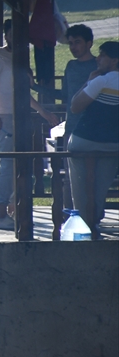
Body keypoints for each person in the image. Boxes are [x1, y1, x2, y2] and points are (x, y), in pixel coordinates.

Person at [0, 19, 59, 229]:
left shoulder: (21, 59)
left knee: (21, 163)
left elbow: (24, 93)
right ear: (6, 35)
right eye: (12, 33)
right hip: (4, 117)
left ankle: (14, 209)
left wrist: (42, 111)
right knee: (7, 163)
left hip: (21, 116)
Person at [67, 41, 118, 233]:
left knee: (79, 184)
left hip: (84, 140)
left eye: (102, 55)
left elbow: (75, 106)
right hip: (114, 144)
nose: (98, 58)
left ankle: (81, 219)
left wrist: (89, 81)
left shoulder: (101, 81)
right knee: (101, 184)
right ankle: (95, 217)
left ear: (114, 61)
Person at [62, 24, 98, 142]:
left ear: (89, 44)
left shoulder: (99, 66)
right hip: (72, 128)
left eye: (77, 42)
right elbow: (64, 94)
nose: (73, 47)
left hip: (95, 128)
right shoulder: (70, 66)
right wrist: (33, 86)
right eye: (71, 43)